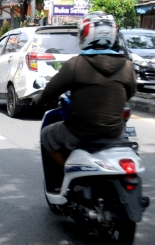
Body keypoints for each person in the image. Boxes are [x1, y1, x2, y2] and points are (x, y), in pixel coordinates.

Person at [34, 11, 136, 170]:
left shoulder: (75, 64)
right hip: (115, 133)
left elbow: (49, 93)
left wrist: (38, 100)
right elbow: (129, 94)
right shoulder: (126, 66)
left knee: (47, 135)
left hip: (79, 134)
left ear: (86, 35)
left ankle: (63, 175)